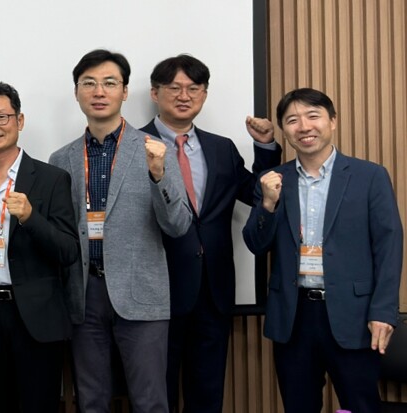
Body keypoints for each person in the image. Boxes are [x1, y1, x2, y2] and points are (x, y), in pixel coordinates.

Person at [46, 49, 192, 412]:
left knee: (150, 401)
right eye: (89, 83)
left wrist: (158, 175)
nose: (99, 91)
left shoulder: (153, 150)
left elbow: (178, 225)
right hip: (84, 294)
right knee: (91, 400)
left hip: (140, 291)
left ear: (124, 92)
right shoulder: (61, 159)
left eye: (110, 83)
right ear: (77, 92)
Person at [243, 87, 402, 413]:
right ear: (285, 131)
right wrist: (268, 205)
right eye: (292, 120)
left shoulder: (369, 176)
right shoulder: (274, 179)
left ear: (332, 122)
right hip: (294, 316)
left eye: (313, 116)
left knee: (361, 405)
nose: (303, 126)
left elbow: (389, 245)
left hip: (354, 316)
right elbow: (255, 245)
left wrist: (383, 311)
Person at [138, 54, 282, 412]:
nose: (184, 95)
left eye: (194, 88)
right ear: (155, 93)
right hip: (157, 290)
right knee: (158, 395)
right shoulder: (130, 146)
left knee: (208, 393)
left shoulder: (221, 148)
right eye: (174, 88)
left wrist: (264, 148)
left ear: (204, 94)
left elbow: (256, 193)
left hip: (214, 289)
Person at [0, 82, 79, 412]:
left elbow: (68, 251)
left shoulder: (52, 179)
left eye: (2, 117)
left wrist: (31, 218)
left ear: (20, 121)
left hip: (35, 317)